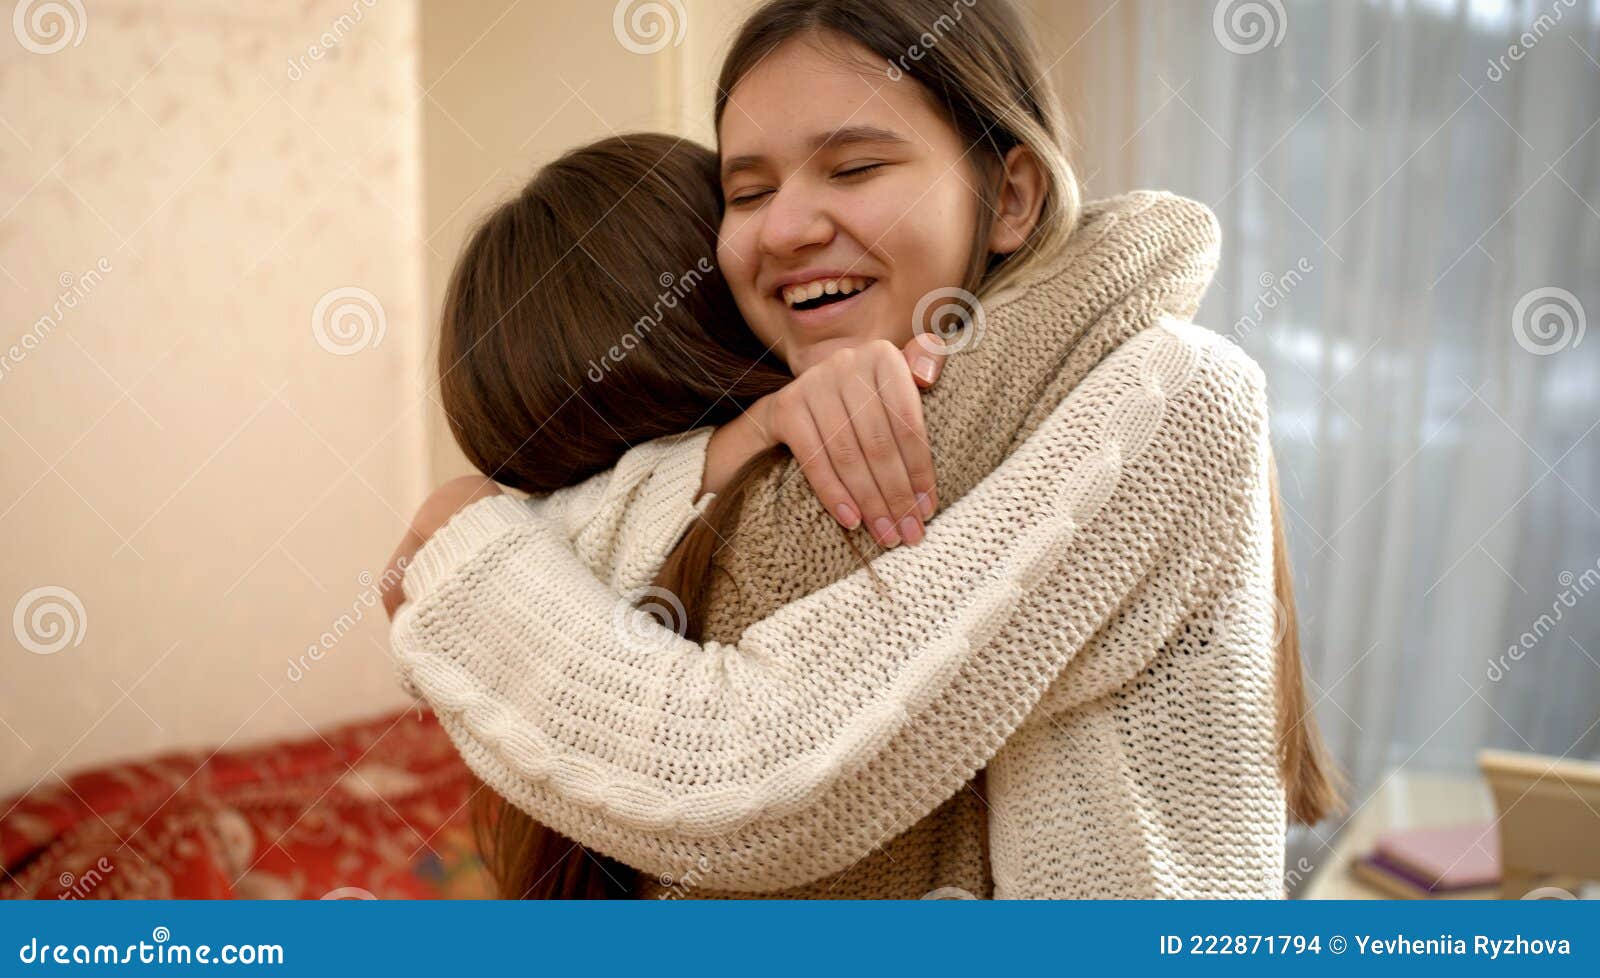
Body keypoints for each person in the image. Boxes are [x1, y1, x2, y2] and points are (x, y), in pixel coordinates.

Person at [388, 0, 1339, 899]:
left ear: (1009, 196)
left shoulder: (1170, 393)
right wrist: (731, 444)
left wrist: (471, 542)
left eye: (853, 170)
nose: (788, 228)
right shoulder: (812, 444)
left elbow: (745, 773)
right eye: (748, 190)